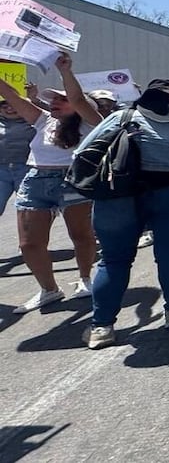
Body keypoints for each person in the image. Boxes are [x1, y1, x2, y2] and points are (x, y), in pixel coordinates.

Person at [78, 80, 169, 349]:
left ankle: (102, 326)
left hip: (118, 193)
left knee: (113, 260)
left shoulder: (124, 117)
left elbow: (84, 151)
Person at [0, 53, 102, 313]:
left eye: (62, 99)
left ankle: (85, 279)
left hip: (72, 180)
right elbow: (11, 95)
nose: (55, 102)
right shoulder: (43, 120)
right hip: (35, 180)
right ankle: (49, 290)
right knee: (29, 243)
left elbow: (78, 98)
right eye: (53, 99)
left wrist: (65, 71)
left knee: (81, 235)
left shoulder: (92, 123)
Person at [0, 93, 35, 219]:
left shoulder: (36, 122)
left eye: (14, 104)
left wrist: (33, 97)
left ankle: (30, 238)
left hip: (26, 170)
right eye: (4, 105)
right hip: (1, 171)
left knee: (29, 210)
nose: (10, 108)